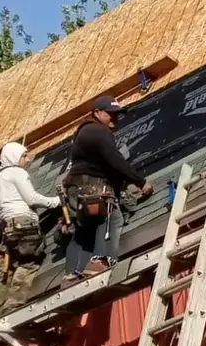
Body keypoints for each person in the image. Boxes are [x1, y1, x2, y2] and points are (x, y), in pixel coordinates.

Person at [61, 98, 152, 283]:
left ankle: (74, 272)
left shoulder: (86, 133)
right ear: (96, 113)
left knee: (84, 229)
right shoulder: (98, 131)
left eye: (117, 115)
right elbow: (115, 161)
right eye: (110, 114)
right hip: (91, 186)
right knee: (112, 218)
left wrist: (122, 187)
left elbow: (107, 167)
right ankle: (101, 264)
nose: (114, 118)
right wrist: (141, 182)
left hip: (77, 187)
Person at [0, 142, 60, 317]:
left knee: (6, 270)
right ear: (13, 157)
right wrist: (56, 201)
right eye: (24, 156)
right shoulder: (16, 172)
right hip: (24, 224)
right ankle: (12, 307)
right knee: (28, 262)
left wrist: (4, 218)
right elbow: (31, 199)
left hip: (5, 231)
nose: (28, 159)